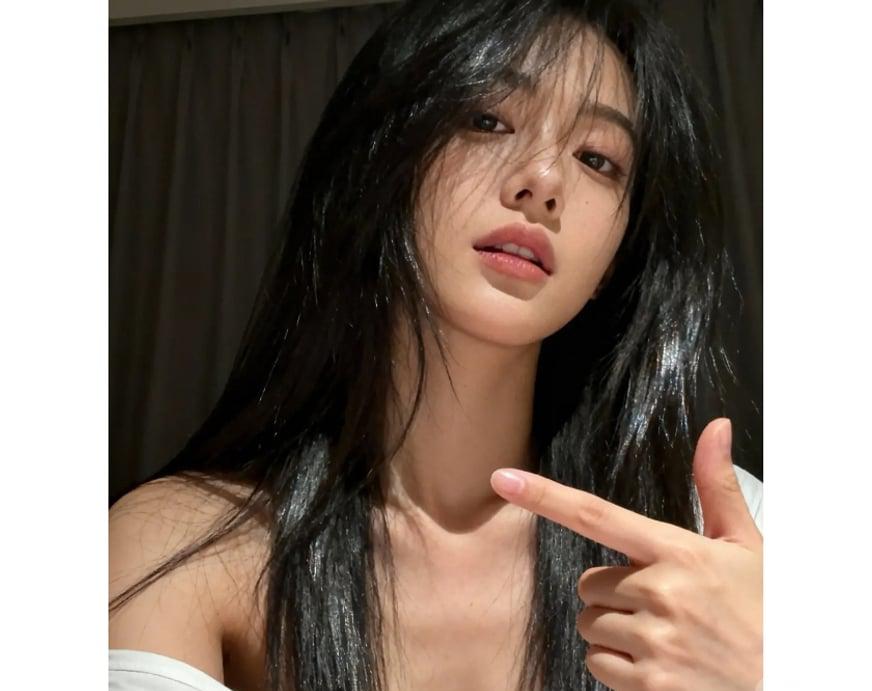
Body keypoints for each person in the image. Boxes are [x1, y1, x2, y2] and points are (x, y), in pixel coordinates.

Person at [109, 1, 763, 690]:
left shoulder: (715, 542)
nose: (544, 181)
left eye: (597, 158)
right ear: (381, 161)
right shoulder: (180, 547)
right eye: (487, 120)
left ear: (616, 258)